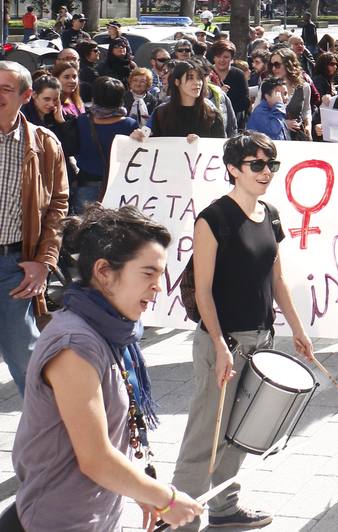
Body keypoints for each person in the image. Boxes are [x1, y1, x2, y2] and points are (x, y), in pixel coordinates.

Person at [6, 206, 202, 530]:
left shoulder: (111, 331)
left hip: (89, 517)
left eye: (161, 274)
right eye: (147, 273)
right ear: (104, 272)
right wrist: (165, 497)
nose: (158, 286)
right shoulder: (75, 344)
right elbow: (96, 459)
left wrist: (139, 487)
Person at [172, 133, 313, 529]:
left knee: (240, 431)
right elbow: (202, 291)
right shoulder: (213, 219)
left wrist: (298, 330)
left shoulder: (270, 214)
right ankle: (179, 519)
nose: (266, 172)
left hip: (261, 339)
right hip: (224, 341)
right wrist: (218, 344)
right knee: (205, 433)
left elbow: (277, 280)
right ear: (233, 169)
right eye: (256, 164)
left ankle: (225, 506)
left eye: (271, 164)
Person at [0, 62, 69, 397]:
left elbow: (58, 205)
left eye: (6, 89)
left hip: (15, 266)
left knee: (25, 356)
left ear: (26, 96)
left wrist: (44, 261)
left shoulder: (44, 144)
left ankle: (49, 438)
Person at [72, 78, 140, 213]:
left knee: (84, 229)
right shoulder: (130, 125)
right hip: (118, 187)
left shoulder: (82, 121)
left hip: (86, 185)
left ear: (95, 97)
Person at [140, 61, 226, 141]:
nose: (197, 83)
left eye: (199, 78)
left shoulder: (212, 115)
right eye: (190, 78)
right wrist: (138, 138)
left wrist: (202, 143)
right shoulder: (161, 113)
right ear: (177, 82)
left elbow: (220, 148)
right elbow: (151, 144)